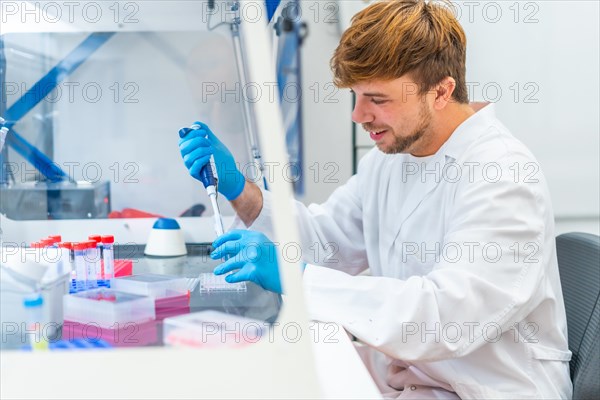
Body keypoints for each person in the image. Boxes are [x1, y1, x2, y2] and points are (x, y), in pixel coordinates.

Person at [178, 1, 572, 398]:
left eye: (377, 100)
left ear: (441, 92)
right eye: (356, 95)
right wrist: (239, 190)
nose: (358, 115)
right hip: (412, 377)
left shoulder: (502, 175)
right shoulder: (393, 158)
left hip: (485, 390)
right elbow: (324, 243)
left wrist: (296, 277)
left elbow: (442, 319)